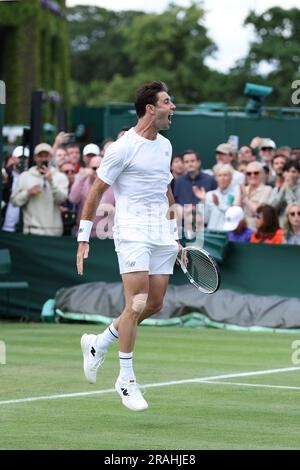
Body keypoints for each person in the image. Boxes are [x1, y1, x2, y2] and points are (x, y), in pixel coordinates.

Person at [76, 81, 180, 412]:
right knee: (135, 304)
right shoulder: (121, 148)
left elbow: (166, 189)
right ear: (151, 109)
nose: (172, 107)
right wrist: (83, 237)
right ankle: (125, 379)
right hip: (132, 231)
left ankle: (98, 343)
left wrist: (174, 232)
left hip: (161, 233)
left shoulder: (165, 146)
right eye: (167, 101)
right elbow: (95, 192)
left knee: (155, 304)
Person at [11, 143, 68, 235]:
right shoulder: (25, 176)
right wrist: (28, 193)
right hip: (32, 231)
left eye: (46, 156)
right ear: (34, 158)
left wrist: (51, 182)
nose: (43, 159)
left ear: (51, 157)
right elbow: (14, 202)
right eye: (40, 156)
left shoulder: (60, 176)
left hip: (53, 232)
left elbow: (62, 199)